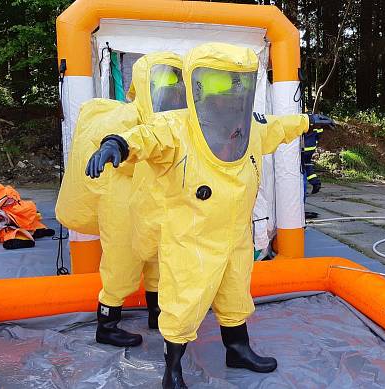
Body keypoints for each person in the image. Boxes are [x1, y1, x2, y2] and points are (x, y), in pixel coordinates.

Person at [85, 42, 334, 389]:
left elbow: (276, 128)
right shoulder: (176, 127)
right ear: (199, 85)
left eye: (239, 84)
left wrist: (306, 122)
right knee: (183, 302)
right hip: (192, 238)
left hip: (234, 235)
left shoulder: (248, 128)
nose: (232, 94)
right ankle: (172, 369)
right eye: (225, 83)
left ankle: (237, 348)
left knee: (235, 293)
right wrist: (117, 145)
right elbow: (146, 137)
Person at [96, 52, 187, 347]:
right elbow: (129, 149)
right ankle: (107, 324)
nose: (172, 90)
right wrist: (118, 147)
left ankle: (156, 311)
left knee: (159, 258)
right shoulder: (128, 115)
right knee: (122, 260)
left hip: (154, 198)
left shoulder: (174, 121)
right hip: (123, 200)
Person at [302, 126, 322, 219]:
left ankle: (299, 210)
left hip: (301, 161)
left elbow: (307, 163)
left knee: (302, 185)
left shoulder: (313, 134)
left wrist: (315, 181)